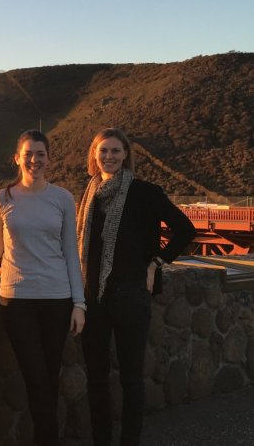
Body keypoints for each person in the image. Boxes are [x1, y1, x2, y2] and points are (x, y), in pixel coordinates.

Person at [77, 128, 195, 446]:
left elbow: (185, 229)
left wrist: (156, 263)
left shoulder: (145, 192)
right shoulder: (88, 195)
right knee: (97, 376)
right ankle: (101, 438)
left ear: (126, 155)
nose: (109, 157)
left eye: (116, 151)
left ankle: (130, 439)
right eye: (103, 151)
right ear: (94, 155)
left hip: (131, 295)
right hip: (93, 298)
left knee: (131, 376)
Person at [0, 129, 86, 446]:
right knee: (35, 375)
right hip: (16, 299)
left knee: (49, 374)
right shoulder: (2, 198)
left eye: (40, 154)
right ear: (17, 158)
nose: (34, 160)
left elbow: (71, 252)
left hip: (57, 299)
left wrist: (79, 304)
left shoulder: (62, 198)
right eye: (28, 153)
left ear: (48, 158)